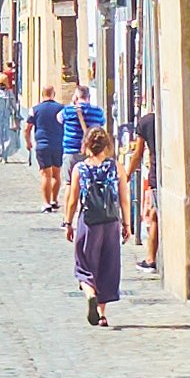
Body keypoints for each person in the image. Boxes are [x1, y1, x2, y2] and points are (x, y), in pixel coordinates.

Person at [67, 119, 126, 327]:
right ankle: (102, 314)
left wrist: (68, 223)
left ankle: (90, 294)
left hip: (89, 222)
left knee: (84, 264)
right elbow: (124, 198)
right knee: (107, 266)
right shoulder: (115, 167)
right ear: (106, 145)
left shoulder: (80, 169)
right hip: (111, 222)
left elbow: (73, 199)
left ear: (86, 145)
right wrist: (127, 224)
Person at [27, 82, 72, 209]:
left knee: (45, 174)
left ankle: (46, 203)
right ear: (54, 94)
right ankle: (54, 200)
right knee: (56, 173)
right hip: (58, 144)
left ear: (42, 94)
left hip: (42, 145)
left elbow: (27, 128)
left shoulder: (35, 109)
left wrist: (28, 142)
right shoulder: (62, 108)